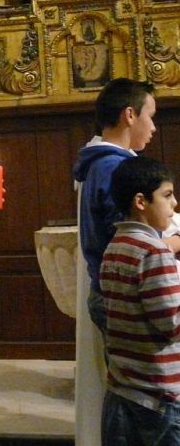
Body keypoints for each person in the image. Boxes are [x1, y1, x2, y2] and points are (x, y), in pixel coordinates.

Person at [100, 156, 180, 445]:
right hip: (157, 397)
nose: (174, 204)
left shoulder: (116, 245)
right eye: (167, 195)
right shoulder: (156, 252)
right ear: (141, 201)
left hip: (122, 388)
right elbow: (171, 324)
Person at [73, 78, 157, 338]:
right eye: (151, 116)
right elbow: (124, 241)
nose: (153, 127)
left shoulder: (104, 162)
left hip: (114, 292)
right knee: (139, 376)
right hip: (121, 294)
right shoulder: (113, 167)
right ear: (130, 115)